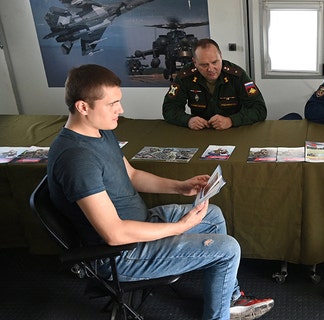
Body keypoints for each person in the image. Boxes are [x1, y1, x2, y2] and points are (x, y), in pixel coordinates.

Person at [47, 64, 274, 320]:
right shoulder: (77, 158)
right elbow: (114, 233)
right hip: (121, 255)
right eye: (112, 104)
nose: (120, 109)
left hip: (139, 225)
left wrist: (180, 186)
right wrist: (179, 228)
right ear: (83, 107)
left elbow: (131, 175)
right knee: (228, 249)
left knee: (212, 214)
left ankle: (229, 300)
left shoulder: (98, 132)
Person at [162, 38, 267, 130]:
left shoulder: (237, 75)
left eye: (215, 62)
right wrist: (188, 120)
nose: (211, 69)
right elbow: (169, 109)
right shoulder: (185, 76)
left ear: (221, 56)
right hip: (200, 131)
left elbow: (259, 109)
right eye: (204, 65)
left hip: (233, 130)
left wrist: (231, 121)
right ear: (195, 62)